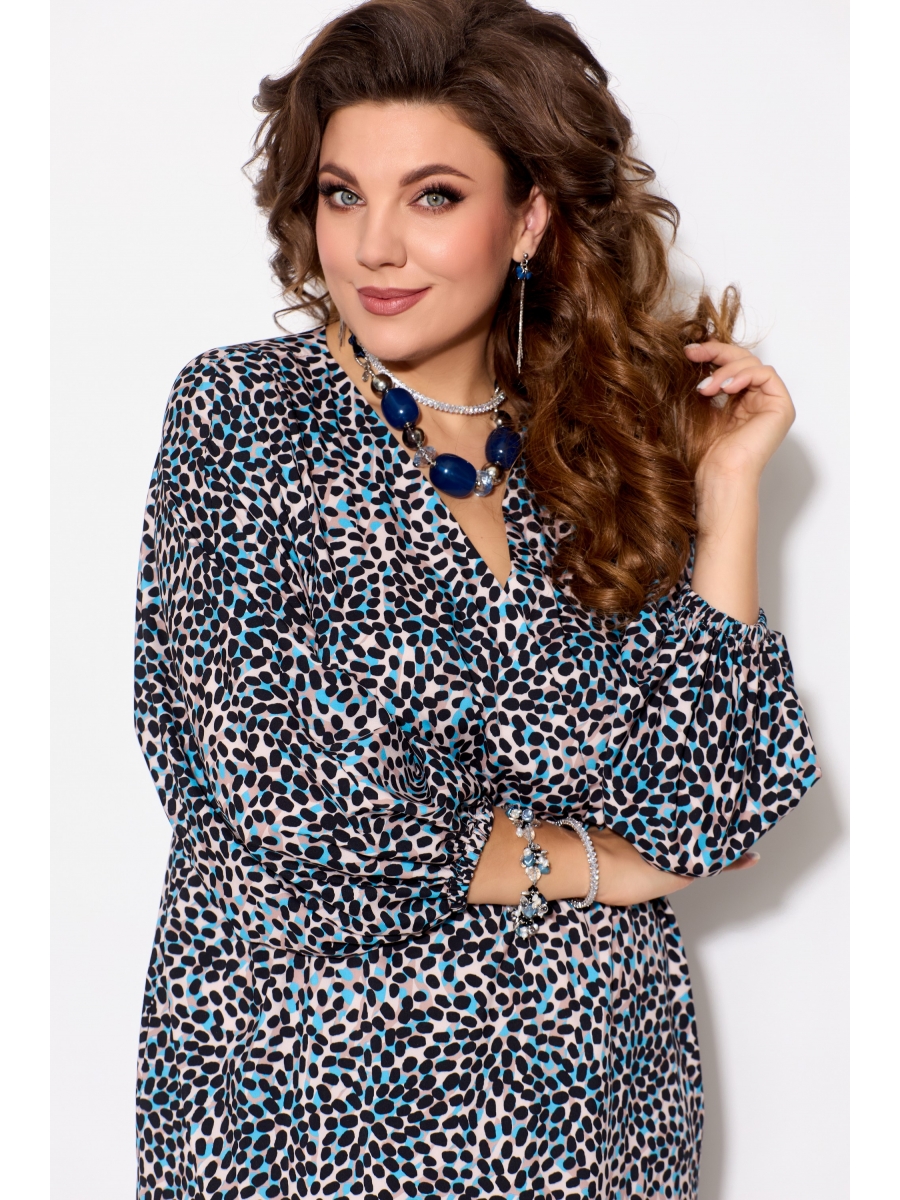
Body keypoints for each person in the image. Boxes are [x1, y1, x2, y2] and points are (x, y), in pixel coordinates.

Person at [133, 1, 818, 1196]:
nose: (374, 247)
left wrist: (724, 488)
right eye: (342, 195)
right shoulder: (241, 421)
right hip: (314, 1109)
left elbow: (715, 801)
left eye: (433, 196)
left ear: (530, 216)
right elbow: (290, 802)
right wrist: (601, 867)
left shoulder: (596, 450)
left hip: (599, 1117)